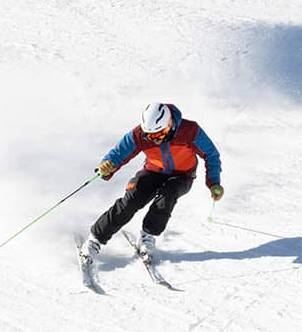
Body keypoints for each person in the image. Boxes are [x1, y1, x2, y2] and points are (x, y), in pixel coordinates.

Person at [80, 103, 223, 262]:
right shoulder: (139, 135)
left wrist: (214, 182)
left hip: (183, 175)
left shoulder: (190, 131)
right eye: (149, 136)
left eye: (159, 134)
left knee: (167, 195)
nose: (154, 139)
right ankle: (95, 239)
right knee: (132, 199)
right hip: (153, 171)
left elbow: (211, 154)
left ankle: (148, 236)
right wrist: (107, 165)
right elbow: (119, 153)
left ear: (169, 125)